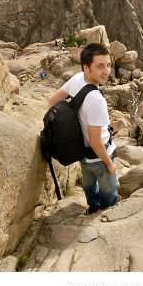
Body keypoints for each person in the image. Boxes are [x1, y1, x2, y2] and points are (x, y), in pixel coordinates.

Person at [47, 42, 119, 214]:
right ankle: (106, 211)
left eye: (108, 65)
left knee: (88, 186)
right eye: (100, 66)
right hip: (100, 157)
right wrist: (109, 164)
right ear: (87, 68)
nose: (106, 71)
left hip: (82, 155)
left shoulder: (77, 78)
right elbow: (95, 141)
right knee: (109, 192)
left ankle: (92, 208)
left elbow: (51, 102)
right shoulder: (96, 100)